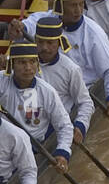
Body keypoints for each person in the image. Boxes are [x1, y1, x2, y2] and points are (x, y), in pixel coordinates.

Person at [11, 0, 109, 120]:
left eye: (81, 4)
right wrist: (19, 29)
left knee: (44, 119)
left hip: (77, 90)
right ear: (60, 5)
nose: (78, 10)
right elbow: (27, 26)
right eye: (72, 5)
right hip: (45, 83)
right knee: (27, 117)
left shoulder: (94, 33)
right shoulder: (44, 20)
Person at [0, 40, 74, 170]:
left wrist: (62, 152)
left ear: (37, 64)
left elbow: (64, 126)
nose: (28, 68)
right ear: (12, 64)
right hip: (1, 145)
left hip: (31, 147)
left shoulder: (47, 91)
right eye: (22, 62)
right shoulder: (1, 79)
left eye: (32, 62)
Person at [31, 15, 94, 144]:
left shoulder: (70, 69)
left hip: (52, 125)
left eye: (50, 43)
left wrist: (80, 126)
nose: (44, 48)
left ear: (59, 43)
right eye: (41, 42)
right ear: (35, 40)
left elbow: (85, 103)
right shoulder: (24, 63)